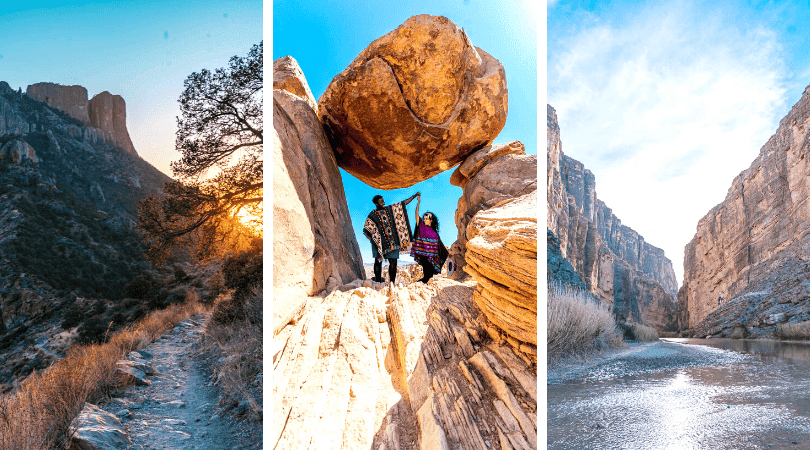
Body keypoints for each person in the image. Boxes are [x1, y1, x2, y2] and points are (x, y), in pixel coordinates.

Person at [363, 192, 419, 283]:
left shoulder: (390, 209)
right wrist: (374, 241)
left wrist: (413, 196)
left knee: (393, 262)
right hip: (379, 243)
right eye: (381, 202)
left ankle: (392, 283)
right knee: (378, 261)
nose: (383, 202)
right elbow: (367, 229)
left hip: (392, 242)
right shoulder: (372, 215)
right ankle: (378, 282)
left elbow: (403, 203)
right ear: (376, 204)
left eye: (383, 200)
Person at [410, 193, 448, 283]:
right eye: (424, 218)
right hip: (424, 256)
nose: (424, 220)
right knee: (427, 276)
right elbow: (416, 214)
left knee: (430, 277)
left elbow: (440, 245)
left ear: (431, 220)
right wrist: (418, 203)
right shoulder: (422, 226)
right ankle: (416, 285)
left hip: (433, 258)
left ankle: (420, 285)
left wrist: (447, 253)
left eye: (427, 219)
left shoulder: (434, 233)